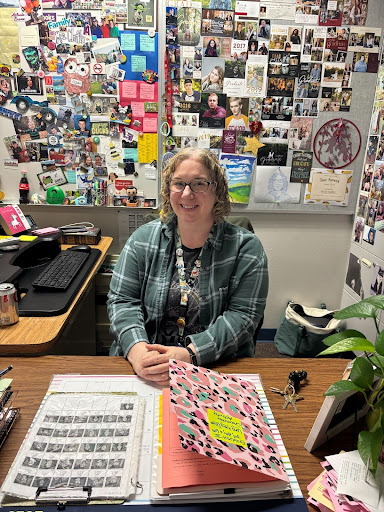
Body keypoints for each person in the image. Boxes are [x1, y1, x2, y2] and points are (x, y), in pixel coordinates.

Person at [108, 148, 268, 383]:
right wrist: (137, 351)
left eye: (199, 184)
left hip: (214, 367)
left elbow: (243, 316)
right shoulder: (142, 239)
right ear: (168, 190)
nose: (186, 193)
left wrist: (191, 354)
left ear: (217, 191)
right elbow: (122, 301)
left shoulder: (247, 249)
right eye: (178, 183)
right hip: (146, 367)